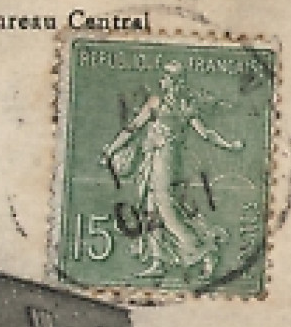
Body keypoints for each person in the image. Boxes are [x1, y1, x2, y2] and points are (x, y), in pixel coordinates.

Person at [100, 61, 243, 281]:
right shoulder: (156, 103)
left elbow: (206, 133)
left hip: (169, 163)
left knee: (167, 210)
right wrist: (111, 149)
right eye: (166, 78)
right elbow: (132, 128)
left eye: (171, 78)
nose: (166, 82)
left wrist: (229, 145)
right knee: (150, 208)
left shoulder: (185, 105)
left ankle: (204, 251)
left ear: (177, 81)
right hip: (151, 159)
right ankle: (159, 261)